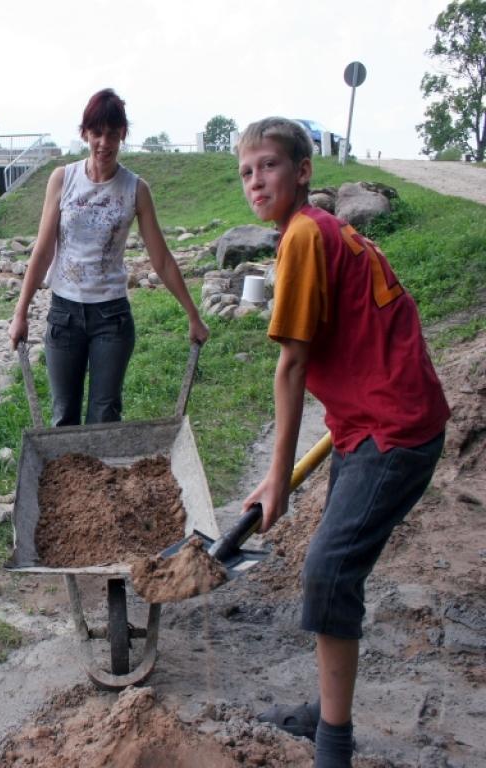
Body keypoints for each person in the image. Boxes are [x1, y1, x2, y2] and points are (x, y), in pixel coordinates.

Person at [236, 117, 449, 767]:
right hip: (371, 424)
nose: (256, 180)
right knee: (333, 570)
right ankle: (329, 715)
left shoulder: (305, 236)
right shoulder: (322, 232)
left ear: (304, 171)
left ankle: (333, 746)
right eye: (246, 171)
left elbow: (292, 366)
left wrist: (278, 482)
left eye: (269, 165)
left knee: (328, 571)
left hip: (394, 431)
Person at [8, 88, 208, 426]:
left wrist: (193, 315)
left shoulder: (135, 189)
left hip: (111, 318)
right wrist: (20, 313)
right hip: (64, 316)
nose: (104, 142)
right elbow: (43, 251)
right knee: (63, 417)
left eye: (112, 134)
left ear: (123, 135)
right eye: (96, 133)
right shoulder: (63, 179)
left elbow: (160, 259)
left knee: (105, 418)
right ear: (84, 133)